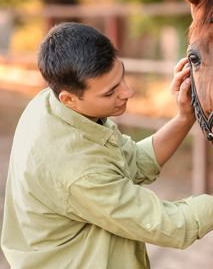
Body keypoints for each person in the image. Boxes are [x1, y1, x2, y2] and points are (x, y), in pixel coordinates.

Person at [1, 22, 213, 269]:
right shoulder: (77, 168)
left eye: (121, 76)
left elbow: (132, 162)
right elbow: (167, 224)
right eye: (110, 92)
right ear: (69, 99)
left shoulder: (51, 105)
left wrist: (184, 117)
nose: (128, 92)